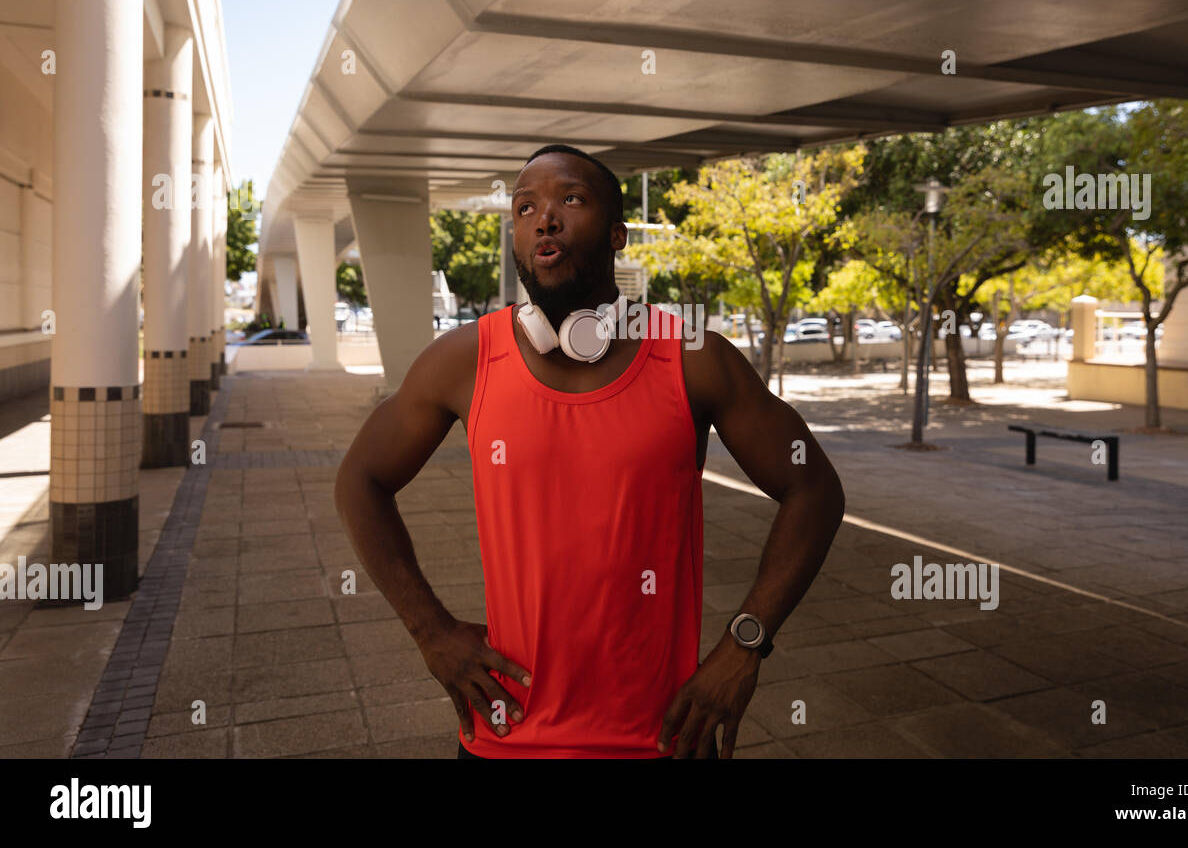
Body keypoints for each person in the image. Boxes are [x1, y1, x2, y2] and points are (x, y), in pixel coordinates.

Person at [334, 144, 845, 759]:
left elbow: (813, 489)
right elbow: (359, 479)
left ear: (617, 234)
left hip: (664, 738)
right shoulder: (465, 360)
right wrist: (431, 632)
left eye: (570, 199)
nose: (543, 218)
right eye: (525, 208)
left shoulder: (691, 357)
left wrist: (745, 643)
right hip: (507, 736)